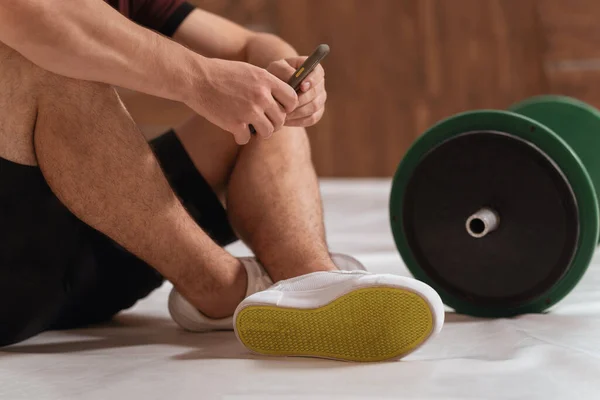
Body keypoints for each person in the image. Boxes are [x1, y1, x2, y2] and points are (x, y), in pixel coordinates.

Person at [0, 0, 444, 362]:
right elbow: (26, 13)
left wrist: (288, 75)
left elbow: (249, 44)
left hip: (107, 255)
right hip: (13, 277)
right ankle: (223, 286)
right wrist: (200, 78)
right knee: (39, 54)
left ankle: (313, 284)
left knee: (268, 95)